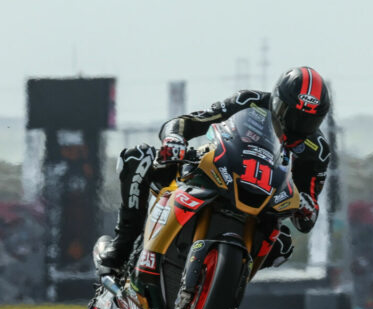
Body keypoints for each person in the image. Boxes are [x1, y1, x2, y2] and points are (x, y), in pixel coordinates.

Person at [96, 67, 332, 275]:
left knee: (281, 246)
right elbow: (191, 121)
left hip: (262, 204)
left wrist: (306, 208)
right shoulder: (249, 101)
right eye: (292, 115)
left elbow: (308, 211)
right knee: (138, 158)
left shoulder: (317, 150)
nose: (297, 126)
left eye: (308, 121)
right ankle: (123, 245)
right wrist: (174, 138)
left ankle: (227, 287)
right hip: (218, 170)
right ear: (278, 102)